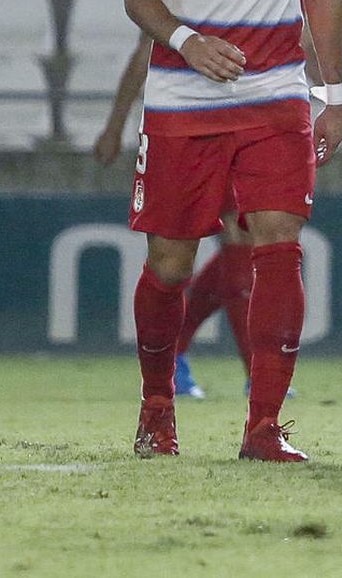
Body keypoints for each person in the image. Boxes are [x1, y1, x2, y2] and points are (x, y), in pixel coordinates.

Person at [122, 0, 342, 463]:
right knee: (171, 267)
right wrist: (188, 41)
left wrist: (333, 91)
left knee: (278, 244)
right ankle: (158, 407)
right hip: (185, 102)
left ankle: (264, 426)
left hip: (276, 94)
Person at [97, 37, 251, 400]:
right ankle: (253, 370)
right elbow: (144, 53)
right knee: (228, 239)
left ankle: (185, 350)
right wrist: (115, 125)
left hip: (249, 116)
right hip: (190, 120)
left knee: (245, 238)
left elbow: (295, 38)